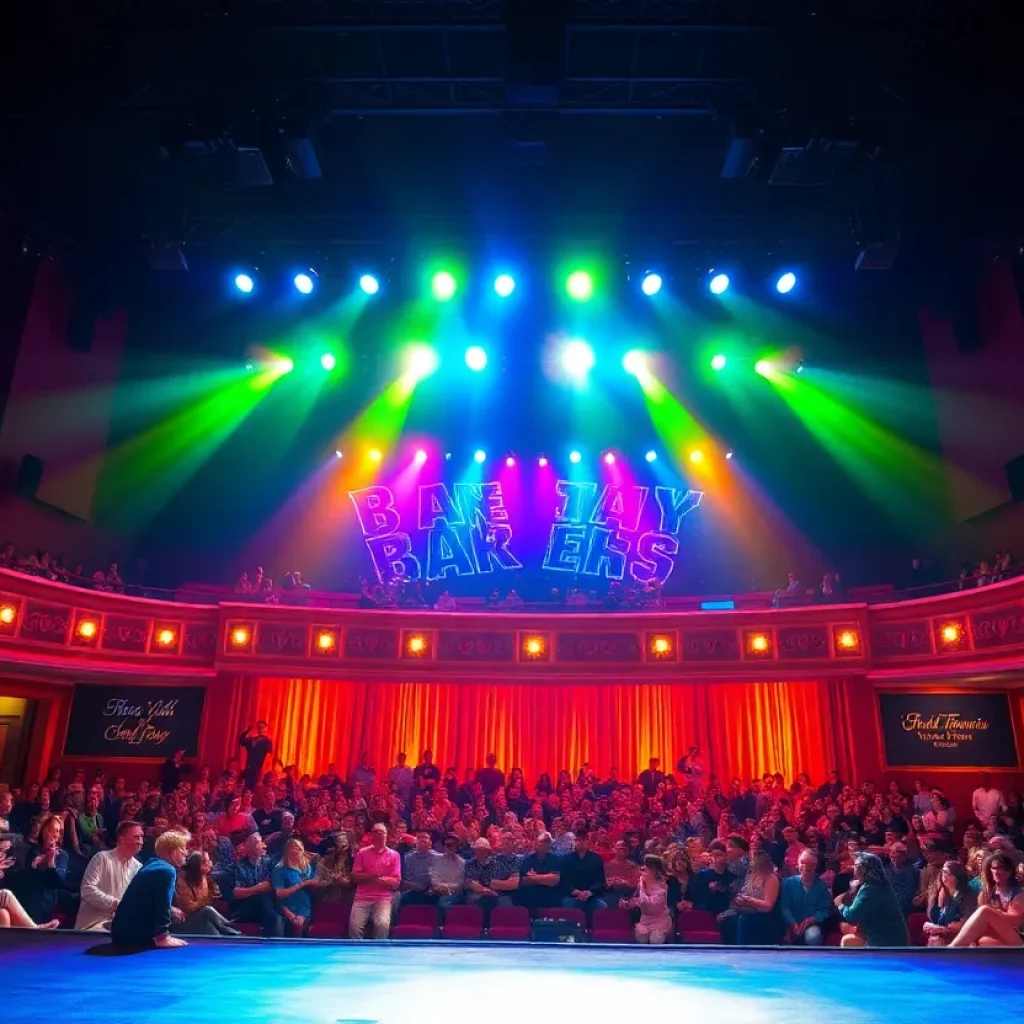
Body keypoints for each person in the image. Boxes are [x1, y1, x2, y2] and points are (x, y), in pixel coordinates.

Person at [111, 831, 189, 948]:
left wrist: (171, 909)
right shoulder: (167, 870)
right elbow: (162, 904)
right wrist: (162, 936)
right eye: (183, 849)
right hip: (134, 936)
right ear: (174, 852)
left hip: (121, 933)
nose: (186, 853)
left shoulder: (152, 865)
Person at [75, 820, 144, 930]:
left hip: (120, 924)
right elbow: (87, 890)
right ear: (121, 839)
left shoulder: (138, 867)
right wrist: (114, 904)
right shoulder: (102, 858)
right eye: (136, 837)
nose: (140, 842)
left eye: (141, 837)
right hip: (94, 924)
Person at [948, 853, 1024, 947]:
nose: (997, 872)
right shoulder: (985, 894)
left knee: (985, 911)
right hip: (989, 942)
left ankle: (952, 948)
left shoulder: (1019, 895)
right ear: (989, 870)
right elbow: (979, 924)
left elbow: (1014, 921)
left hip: (1017, 941)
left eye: (1002, 868)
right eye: (994, 868)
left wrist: (991, 915)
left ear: (1010, 871)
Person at [836, 851, 910, 947]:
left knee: (848, 939)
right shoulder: (878, 886)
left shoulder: (871, 889)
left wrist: (840, 905)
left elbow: (852, 916)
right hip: (883, 939)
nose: (853, 868)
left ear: (863, 868)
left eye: (855, 866)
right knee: (847, 941)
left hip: (886, 943)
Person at [349, 822, 401, 939]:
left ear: (386, 835)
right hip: (362, 897)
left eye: (381, 832)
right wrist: (373, 875)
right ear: (371, 834)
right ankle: (357, 952)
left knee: (383, 924)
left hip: (383, 898)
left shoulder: (394, 855)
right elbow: (355, 877)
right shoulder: (362, 853)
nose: (378, 834)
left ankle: (379, 951)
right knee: (354, 926)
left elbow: (396, 881)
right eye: (375, 832)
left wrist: (369, 878)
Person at [229, 832, 284, 937]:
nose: (262, 845)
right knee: (265, 902)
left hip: (267, 906)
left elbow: (272, 885)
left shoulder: (269, 862)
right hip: (246, 908)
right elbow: (237, 893)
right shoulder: (239, 866)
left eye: (261, 842)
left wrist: (251, 890)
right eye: (257, 843)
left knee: (273, 913)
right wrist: (257, 888)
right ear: (248, 848)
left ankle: (274, 947)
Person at [174, 851, 239, 935]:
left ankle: (232, 934)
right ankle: (230, 926)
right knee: (208, 910)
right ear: (198, 866)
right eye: (207, 862)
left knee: (213, 932)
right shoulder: (182, 881)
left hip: (202, 918)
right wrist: (207, 900)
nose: (210, 863)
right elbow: (188, 908)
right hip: (184, 921)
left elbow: (211, 897)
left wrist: (215, 896)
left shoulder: (205, 876)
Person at [781, 849, 832, 946]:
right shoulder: (789, 883)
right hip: (790, 923)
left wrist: (810, 920)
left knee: (814, 936)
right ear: (798, 864)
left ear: (814, 866)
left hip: (811, 924)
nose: (804, 867)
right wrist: (793, 923)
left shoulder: (822, 887)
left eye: (809, 864)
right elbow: (785, 906)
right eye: (802, 863)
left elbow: (824, 911)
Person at [923, 861, 975, 947]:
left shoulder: (965, 896)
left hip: (958, 939)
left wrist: (942, 929)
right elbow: (938, 919)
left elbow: (966, 924)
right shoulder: (942, 892)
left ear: (955, 877)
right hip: (941, 938)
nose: (942, 874)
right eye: (942, 871)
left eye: (945, 872)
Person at [271, 837, 317, 935]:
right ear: (288, 851)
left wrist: (307, 883)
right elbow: (279, 894)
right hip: (286, 909)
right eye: (295, 847)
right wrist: (300, 885)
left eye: (300, 847)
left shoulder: (307, 868)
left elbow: (318, 881)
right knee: (293, 926)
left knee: (300, 925)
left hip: (305, 910)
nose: (299, 849)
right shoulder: (279, 870)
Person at [622, 854, 672, 944]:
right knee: (641, 938)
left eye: (647, 866)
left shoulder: (662, 887)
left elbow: (649, 905)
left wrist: (642, 889)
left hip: (659, 920)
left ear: (655, 870)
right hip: (645, 919)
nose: (643, 868)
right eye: (644, 865)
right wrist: (627, 904)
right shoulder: (641, 882)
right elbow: (636, 898)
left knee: (655, 940)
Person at [559, 831, 607, 920]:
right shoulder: (566, 859)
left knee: (601, 906)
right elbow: (563, 880)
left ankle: (593, 931)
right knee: (567, 903)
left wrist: (590, 892)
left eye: (583, 840)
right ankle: (573, 931)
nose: (580, 843)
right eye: (578, 840)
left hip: (591, 895)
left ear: (587, 842)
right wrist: (573, 891)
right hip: (572, 895)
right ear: (574, 842)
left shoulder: (596, 858)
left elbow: (600, 880)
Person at [239, 721, 273, 791]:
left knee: (255, 788)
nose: (260, 729)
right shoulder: (251, 740)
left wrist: (264, 770)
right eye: (258, 727)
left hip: (259, 768)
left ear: (265, 729)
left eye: (262, 727)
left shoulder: (267, 741)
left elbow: (269, 755)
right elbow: (241, 741)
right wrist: (247, 731)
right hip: (249, 766)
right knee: (246, 787)